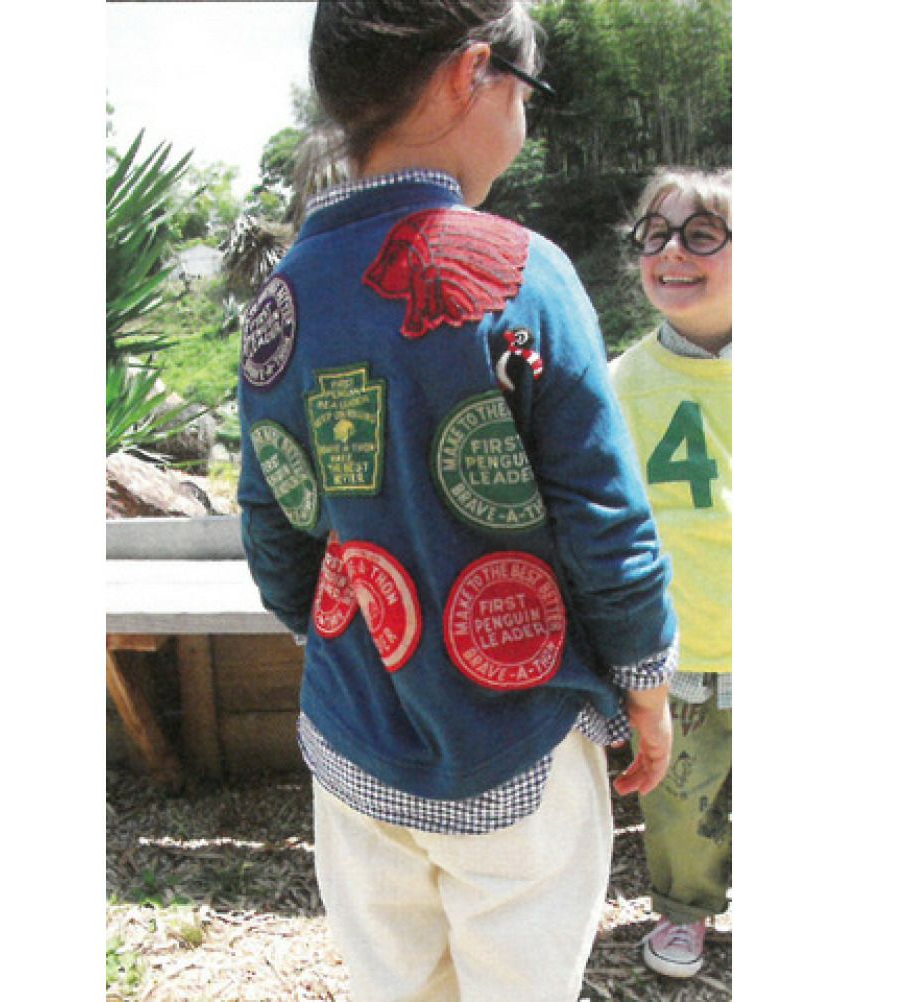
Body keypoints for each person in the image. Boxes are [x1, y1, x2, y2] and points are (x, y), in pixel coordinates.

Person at [238, 4, 678, 999]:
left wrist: (344, 640)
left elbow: (272, 518)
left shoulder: (280, 300)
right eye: (528, 91)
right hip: (517, 732)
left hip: (353, 726)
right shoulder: (522, 273)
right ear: (472, 73)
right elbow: (604, 519)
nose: (525, 116)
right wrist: (645, 685)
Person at [609, 167, 732, 979]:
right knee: (682, 797)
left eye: (702, 235)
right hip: (680, 642)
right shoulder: (619, 381)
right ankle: (685, 911)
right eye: (655, 236)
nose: (673, 253)